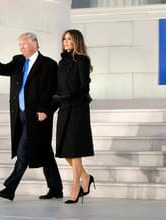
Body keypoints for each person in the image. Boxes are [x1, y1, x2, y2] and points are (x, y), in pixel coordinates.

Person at [0, 32, 63, 201]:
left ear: (35, 43)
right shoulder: (18, 60)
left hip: (37, 116)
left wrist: (46, 111)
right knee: (45, 152)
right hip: (19, 114)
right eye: (19, 45)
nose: (21, 47)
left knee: (23, 152)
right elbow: (3, 69)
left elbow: (53, 91)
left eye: (24, 44)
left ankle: (10, 188)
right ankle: (56, 188)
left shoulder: (48, 64)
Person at [53, 29, 95, 204]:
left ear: (76, 41)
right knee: (65, 151)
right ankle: (86, 177)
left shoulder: (82, 60)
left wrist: (68, 96)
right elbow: (57, 87)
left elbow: (84, 87)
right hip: (64, 108)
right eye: (64, 39)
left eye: (69, 39)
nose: (66, 42)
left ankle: (75, 188)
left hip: (78, 109)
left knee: (75, 151)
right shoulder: (61, 63)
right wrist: (49, 107)